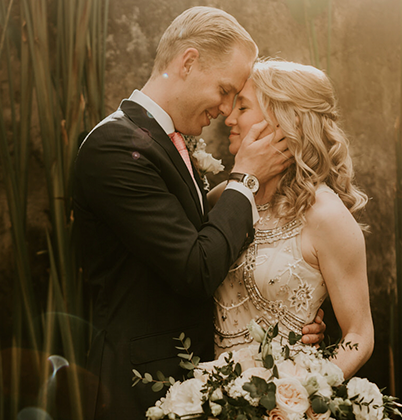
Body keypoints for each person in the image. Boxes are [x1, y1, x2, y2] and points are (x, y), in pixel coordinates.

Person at [72, 8, 325, 419]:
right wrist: (246, 179)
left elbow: (219, 251)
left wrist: (290, 327)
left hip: (200, 381)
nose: (227, 112)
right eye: (225, 90)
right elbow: (195, 267)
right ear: (187, 62)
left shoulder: (171, 141)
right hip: (138, 387)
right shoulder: (115, 147)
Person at [209, 59, 374, 378]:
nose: (228, 117)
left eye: (242, 108)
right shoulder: (220, 199)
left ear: (284, 121)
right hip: (210, 396)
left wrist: (306, 396)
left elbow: (359, 336)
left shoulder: (325, 215)